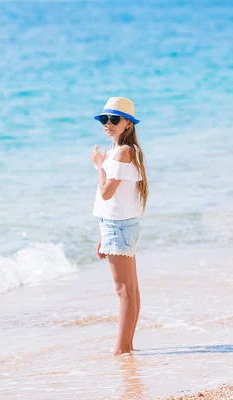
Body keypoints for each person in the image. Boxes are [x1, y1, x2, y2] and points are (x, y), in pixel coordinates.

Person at [91, 97, 149, 356]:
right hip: (117, 225)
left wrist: (98, 166)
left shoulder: (124, 152)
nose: (108, 124)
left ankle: (122, 349)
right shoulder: (124, 152)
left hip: (119, 227)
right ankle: (126, 346)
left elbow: (106, 193)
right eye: (105, 119)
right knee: (130, 289)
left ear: (128, 123)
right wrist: (103, 234)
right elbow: (112, 202)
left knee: (124, 290)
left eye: (114, 119)